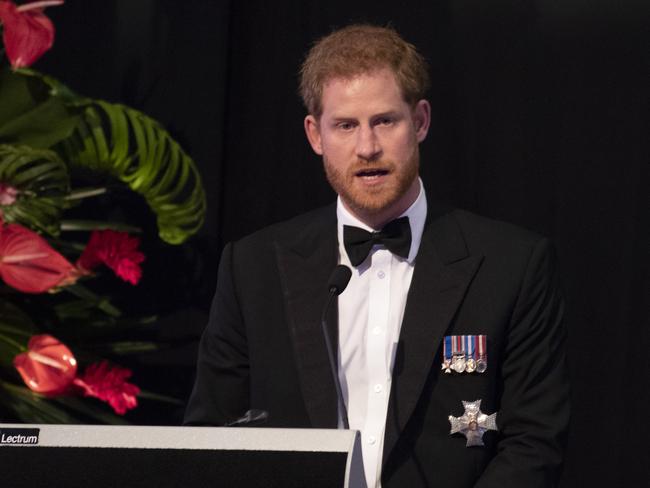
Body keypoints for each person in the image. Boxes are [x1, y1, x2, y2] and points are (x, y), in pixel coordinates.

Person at [185, 24, 569, 488]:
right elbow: (211, 438)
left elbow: (534, 442)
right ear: (314, 134)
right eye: (345, 125)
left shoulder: (512, 264)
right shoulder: (253, 267)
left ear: (421, 121)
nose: (367, 147)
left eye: (385, 121)